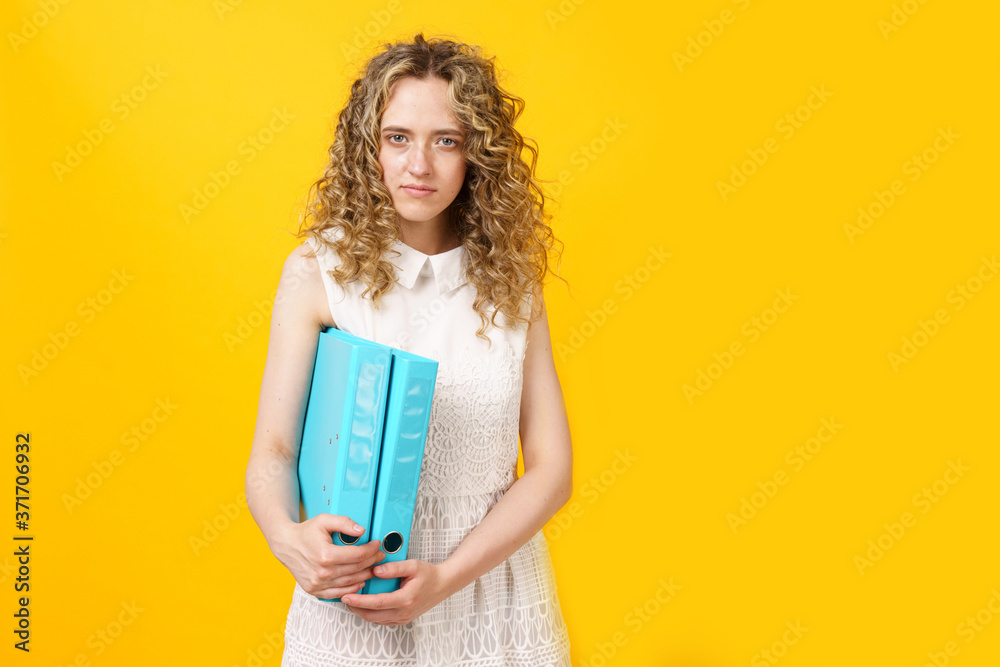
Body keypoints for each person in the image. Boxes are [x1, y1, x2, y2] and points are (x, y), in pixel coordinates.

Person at [244, 33, 573, 666]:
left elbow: (552, 470)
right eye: (398, 137)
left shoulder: (512, 277)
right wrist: (289, 540)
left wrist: (446, 579)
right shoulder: (318, 271)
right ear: (369, 147)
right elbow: (274, 452)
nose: (418, 164)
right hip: (354, 595)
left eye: (445, 140)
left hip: (494, 600)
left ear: (478, 153)